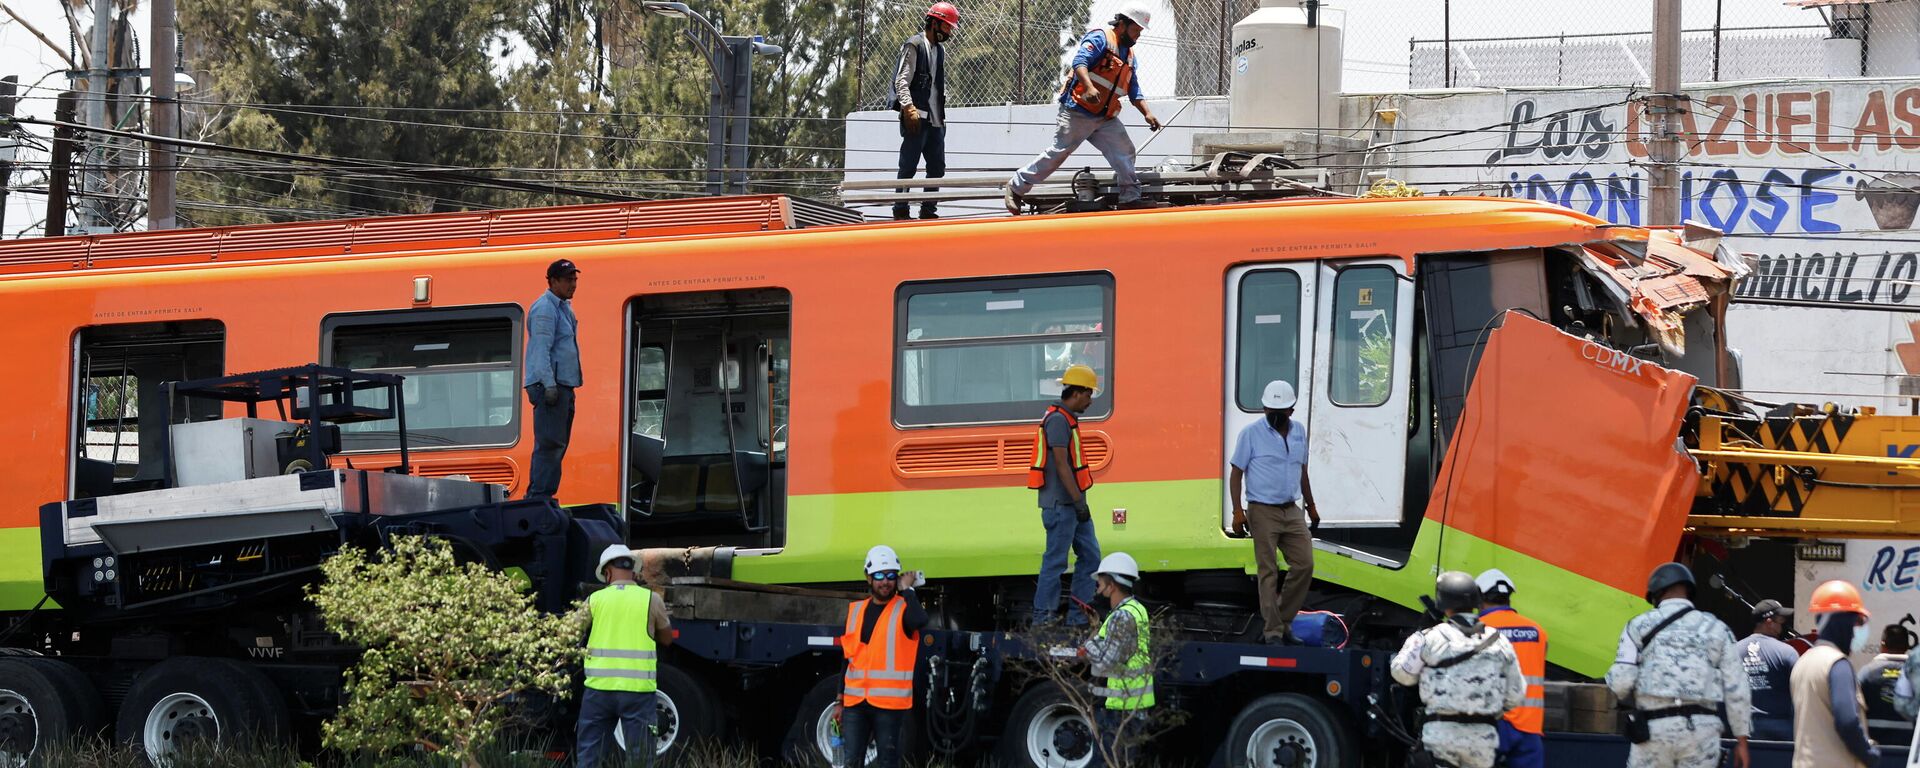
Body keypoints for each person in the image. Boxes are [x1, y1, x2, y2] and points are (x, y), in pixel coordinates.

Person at [1003, 4, 1164, 214]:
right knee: (1058, 153)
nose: (1138, 36)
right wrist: (1088, 87)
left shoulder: (1130, 56)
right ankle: (1016, 187)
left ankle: (1129, 197)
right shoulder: (1100, 38)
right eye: (1136, 30)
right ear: (1123, 24)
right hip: (1077, 111)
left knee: (1124, 151)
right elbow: (1080, 62)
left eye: (1140, 32)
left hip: (1105, 117)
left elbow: (1134, 89)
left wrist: (1147, 113)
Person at [1606, 562, 1751, 768]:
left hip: (1653, 730)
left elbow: (1621, 682)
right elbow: (1737, 688)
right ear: (1689, 592)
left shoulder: (1638, 625)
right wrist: (1742, 740)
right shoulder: (1718, 629)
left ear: (1656, 594)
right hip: (1702, 731)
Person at [1390, 571, 1526, 768]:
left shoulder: (1430, 637)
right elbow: (1516, 696)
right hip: (1482, 743)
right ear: (1476, 601)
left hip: (1440, 740)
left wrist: (1421, 630)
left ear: (1441, 603)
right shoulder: (1499, 640)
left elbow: (1402, 675)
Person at [1229, 380, 1320, 645]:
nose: (1274, 415)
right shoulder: (1251, 433)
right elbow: (1236, 473)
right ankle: (1273, 633)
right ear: (1264, 409)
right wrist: (1238, 511)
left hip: (1291, 510)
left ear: (1291, 410)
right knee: (1268, 571)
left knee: (1305, 564)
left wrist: (1312, 506)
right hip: (1262, 510)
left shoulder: (1299, 432)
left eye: (1280, 411)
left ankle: (1282, 621)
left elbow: (1302, 471)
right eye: (1270, 411)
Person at [575, 545, 673, 768]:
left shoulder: (595, 600)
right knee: (640, 759)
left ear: (607, 572)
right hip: (638, 693)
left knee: (589, 756)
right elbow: (667, 638)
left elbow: (568, 634)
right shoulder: (651, 600)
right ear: (633, 572)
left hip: (598, 691)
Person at [838, 545, 928, 768]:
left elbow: (920, 620)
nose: (885, 581)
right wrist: (839, 701)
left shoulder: (903, 609)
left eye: (890, 575)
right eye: (879, 575)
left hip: (889, 706)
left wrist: (908, 589)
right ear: (868, 578)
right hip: (855, 704)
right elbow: (847, 660)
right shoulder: (856, 611)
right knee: (851, 762)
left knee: (888, 761)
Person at [1027, 363, 1102, 627]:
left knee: (1092, 556)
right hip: (1062, 505)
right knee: (1055, 562)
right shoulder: (1058, 420)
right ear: (1077, 393)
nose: (1090, 401)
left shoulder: (1066, 418)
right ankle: (1042, 620)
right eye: (1089, 394)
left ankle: (1078, 616)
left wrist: (1079, 503)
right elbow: (1061, 465)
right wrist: (1079, 501)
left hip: (1072, 504)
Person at [1792, 580, 1880, 768]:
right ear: (1841, 622)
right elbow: (1847, 721)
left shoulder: (1803, 662)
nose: (1859, 629)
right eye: (1857, 622)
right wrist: (1868, 754)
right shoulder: (1837, 664)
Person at [1080, 552, 1153, 768]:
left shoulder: (1122, 616)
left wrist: (1087, 647)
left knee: (1107, 762)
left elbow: (1107, 662)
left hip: (1121, 708)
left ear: (1111, 585)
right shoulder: (1137, 610)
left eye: (1100, 583)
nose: (1098, 589)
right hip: (1132, 704)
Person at [889, 3, 957, 221]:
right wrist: (908, 108)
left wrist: (941, 120)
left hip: (935, 120)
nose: (949, 32)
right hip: (916, 119)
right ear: (934, 23)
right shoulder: (915, 45)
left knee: (937, 168)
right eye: (947, 27)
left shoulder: (939, 50)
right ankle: (900, 211)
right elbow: (902, 80)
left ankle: (928, 211)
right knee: (908, 166)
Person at [1474, 569, 1546, 768]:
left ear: (1479, 599)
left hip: (1488, 723)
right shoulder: (1537, 631)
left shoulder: (1476, 630)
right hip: (1528, 727)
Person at [525, 258, 582, 501]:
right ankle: (539, 498)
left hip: (563, 386)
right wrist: (549, 385)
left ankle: (543, 497)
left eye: (575, 279)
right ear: (553, 281)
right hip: (552, 386)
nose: (573, 284)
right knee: (550, 445)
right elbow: (540, 350)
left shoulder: (563, 308)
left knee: (557, 445)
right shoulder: (545, 309)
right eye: (568, 279)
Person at [1736, 598, 1799, 740]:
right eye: (1780, 623)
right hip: (1782, 733)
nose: (1781, 628)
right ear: (1769, 622)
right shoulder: (1787, 652)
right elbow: (1800, 693)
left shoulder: (1733, 651)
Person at [1860, 622, 1913, 745]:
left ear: (1882, 644)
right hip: (1909, 755)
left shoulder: (1866, 673)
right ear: (1906, 647)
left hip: (1873, 753)